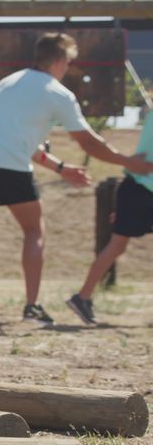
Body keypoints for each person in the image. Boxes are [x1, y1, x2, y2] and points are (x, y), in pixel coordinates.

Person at [0, 32, 153, 326]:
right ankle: (31, 308)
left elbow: (14, 139)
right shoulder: (57, 93)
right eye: (68, 62)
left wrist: (60, 169)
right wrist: (129, 162)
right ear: (59, 60)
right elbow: (89, 143)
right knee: (34, 231)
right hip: (12, 167)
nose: (67, 68)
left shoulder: (10, 82)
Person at [67, 118, 153, 325]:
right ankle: (82, 298)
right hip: (141, 189)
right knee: (116, 246)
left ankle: (82, 297)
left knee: (116, 246)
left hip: (136, 188)